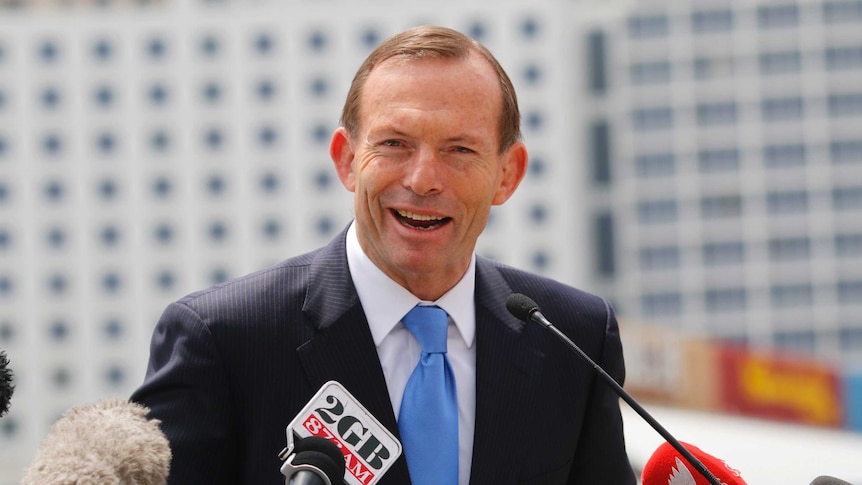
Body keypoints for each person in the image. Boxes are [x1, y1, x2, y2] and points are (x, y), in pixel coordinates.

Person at [131, 25, 636, 484]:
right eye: (394, 143)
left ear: (508, 174)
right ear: (346, 160)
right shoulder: (222, 340)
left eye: (460, 150)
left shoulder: (576, 337)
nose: (422, 180)